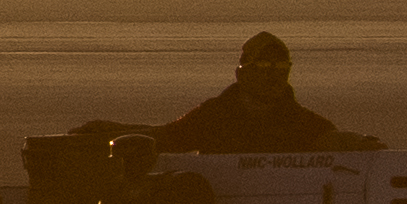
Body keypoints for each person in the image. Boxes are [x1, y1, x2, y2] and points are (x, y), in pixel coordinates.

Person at [152, 29, 376, 153]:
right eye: (264, 65)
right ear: (242, 73)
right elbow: (164, 138)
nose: (274, 74)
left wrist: (360, 144)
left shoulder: (307, 126)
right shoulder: (212, 117)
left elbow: (335, 144)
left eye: (281, 66)